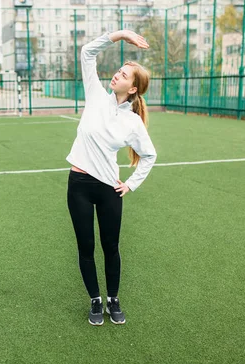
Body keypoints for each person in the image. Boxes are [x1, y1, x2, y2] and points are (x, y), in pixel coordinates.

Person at [66, 30, 157, 326]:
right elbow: (87, 53)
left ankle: (113, 299)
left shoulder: (131, 122)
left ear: (133, 89)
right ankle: (95, 300)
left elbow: (149, 156)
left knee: (111, 246)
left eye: (124, 74)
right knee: (85, 247)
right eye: (119, 70)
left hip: (109, 190)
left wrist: (130, 184)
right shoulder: (95, 95)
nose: (117, 75)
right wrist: (119, 36)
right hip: (78, 186)